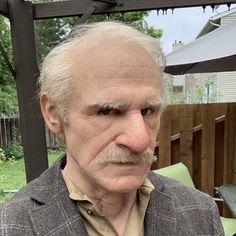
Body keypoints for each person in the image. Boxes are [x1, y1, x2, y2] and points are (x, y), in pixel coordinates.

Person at [0, 21, 224, 236]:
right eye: (107, 111)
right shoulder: (11, 225)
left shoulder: (201, 212)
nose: (141, 140)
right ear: (52, 113)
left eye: (148, 111)